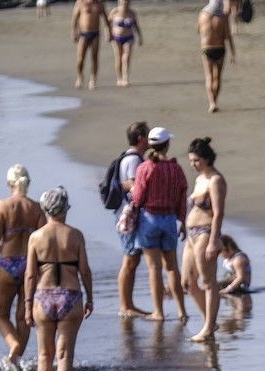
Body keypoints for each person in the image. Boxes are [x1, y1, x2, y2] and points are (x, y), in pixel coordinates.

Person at [24, 187, 94, 371]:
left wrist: (27, 305)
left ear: (45, 209)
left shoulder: (36, 237)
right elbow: (84, 270)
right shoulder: (75, 235)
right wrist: (90, 297)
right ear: (66, 209)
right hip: (70, 296)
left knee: (45, 354)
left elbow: (30, 275)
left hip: (43, 296)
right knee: (64, 355)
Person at [0, 164, 46, 370]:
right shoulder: (36, 208)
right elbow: (44, 241)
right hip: (29, 265)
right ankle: (17, 359)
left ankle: (14, 345)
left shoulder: (3, 206)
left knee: (0, 314)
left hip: (8, 263)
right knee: (22, 316)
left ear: (9, 183)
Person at [130, 126, 189, 321]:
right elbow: (182, 195)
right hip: (169, 219)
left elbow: (138, 197)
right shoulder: (176, 168)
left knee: (154, 268)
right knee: (172, 267)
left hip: (149, 219)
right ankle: (182, 311)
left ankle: (159, 312)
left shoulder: (145, 168)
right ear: (167, 145)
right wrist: (182, 219)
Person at [183, 137, 228, 342]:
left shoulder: (215, 180)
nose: (193, 164)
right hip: (191, 234)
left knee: (208, 282)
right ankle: (209, 321)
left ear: (207, 158)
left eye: (196, 160)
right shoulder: (200, 178)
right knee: (188, 283)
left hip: (205, 233)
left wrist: (213, 240)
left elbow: (218, 213)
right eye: (191, 160)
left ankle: (208, 328)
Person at [116, 121, 151, 318]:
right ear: (140, 138)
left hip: (127, 214)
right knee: (129, 259)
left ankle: (127, 304)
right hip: (127, 216)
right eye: (146, 135)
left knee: (132, 259)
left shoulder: (133, 158)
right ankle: (125, 306)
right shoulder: (133, 160)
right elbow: (132, 186)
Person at [199, 0, 237, 113]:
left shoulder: (202, 14)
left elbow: (199, 30)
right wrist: (233, 53)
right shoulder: (223, 17)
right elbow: (228, 36)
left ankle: (211, 103)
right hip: (220, 48)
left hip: (206, 48)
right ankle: (215, 101)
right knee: (218, 77)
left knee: (209, 76)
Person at [72, 0, 112, 90]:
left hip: (95, 34)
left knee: (94, 57)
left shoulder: (99, 4)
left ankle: (93, 80)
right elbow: (74, 18)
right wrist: (73, 32)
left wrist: (109, 32)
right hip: (83, 34)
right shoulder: (80, 3)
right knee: (80, 58)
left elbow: (106, 20)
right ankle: (80, 76)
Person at [109, 0, 144, 88]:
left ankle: (126, 78)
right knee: (118, 57)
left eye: (127, 2)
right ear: (119, 3)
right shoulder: (114, 11)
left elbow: (136, 26)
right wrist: (108, 33)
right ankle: (119, 78)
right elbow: (107, 23)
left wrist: (140, 38)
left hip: (129, 37)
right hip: (116, 38)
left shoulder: (132, 13)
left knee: (126, 57)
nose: (125, 4)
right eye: (123, 2)